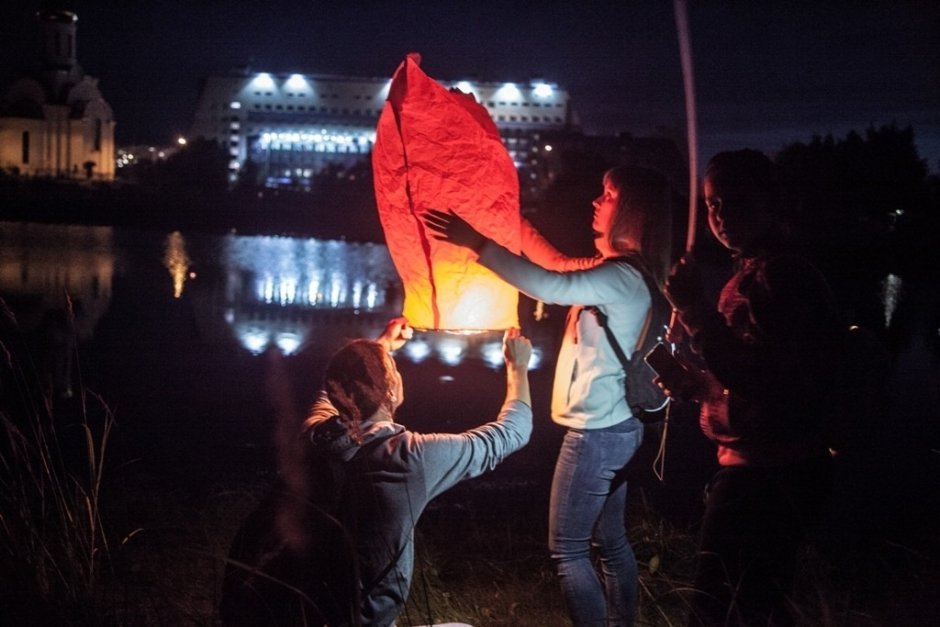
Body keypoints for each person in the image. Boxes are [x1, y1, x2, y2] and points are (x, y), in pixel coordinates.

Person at [424, 164, 674, 627]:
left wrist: (477, 243)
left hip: (596, 435)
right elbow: (557, 265)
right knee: (610, 540)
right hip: (621, 427)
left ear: (632, 211)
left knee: (568, 548)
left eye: (609, 194)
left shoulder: (620, 278)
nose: (597, 202)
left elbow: (551, 286)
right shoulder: (626, 273)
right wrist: (506, 220)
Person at [220, 318, 533, 627]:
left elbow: (332, 396)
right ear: (391, 391)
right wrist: (517, 366)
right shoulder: (411, 458)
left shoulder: (314, 437)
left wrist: (380, 347)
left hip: (299, 616)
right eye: (394, 370)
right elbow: (512, 432)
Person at [660, 149, 843, 626]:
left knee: (717, 608)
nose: (720, 215)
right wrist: (699, 385)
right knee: (752, 607)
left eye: (735, 201)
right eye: (712, 204)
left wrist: (697, 314)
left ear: (771, 201)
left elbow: (767, 381)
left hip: (770, 477)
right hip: (756, 471)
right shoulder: (750, 274)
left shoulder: (781, 277)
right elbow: (747, 378)